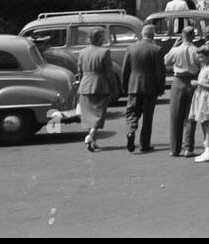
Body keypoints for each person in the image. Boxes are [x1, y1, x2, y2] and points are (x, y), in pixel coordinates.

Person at [120, 23, 166, 153]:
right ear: (153, 35)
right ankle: (144, 144)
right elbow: (160, 72)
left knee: (132, 112)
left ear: (142, 33)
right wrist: (161, 88)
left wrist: (124, 86)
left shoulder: (131, 48)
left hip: (133, 86)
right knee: (147, 116)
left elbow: (125, 70)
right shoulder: (156, 49)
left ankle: (130, 131)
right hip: (150, 87)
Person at [76, 28, 117, 152]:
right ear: (99, 38)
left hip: (85, 85)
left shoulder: (82, 52)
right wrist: (113, 86)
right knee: (99, 114)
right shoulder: (105, 52)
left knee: (88, 115)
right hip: (100, 85)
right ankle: (91, 136)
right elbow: (109, 72)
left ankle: (93, 141)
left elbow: (79, 71)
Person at [165, 25, 201, 157]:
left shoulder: (175, 50)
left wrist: (174, 46)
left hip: (178, 82)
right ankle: (188, 148)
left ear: (182, 36)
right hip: (192, 82)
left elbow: (166, 61)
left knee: (176, 116)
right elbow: (200, 65)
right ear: (193, 36)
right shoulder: (196, 50)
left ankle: (174, 148)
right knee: (190, 117)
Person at [189, 46, 209, 162]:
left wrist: (198, 83)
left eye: (202, 57)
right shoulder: (204, 67)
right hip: (201, 96)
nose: (200, 59)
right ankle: (207, 149)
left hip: (206, 97)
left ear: (208, 56)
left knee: (207, 125)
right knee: (203, 123)